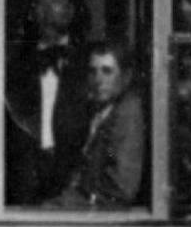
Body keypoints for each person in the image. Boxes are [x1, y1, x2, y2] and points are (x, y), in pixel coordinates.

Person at [5, 0, 92, 204]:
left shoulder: (89, 61)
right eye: (39, 5)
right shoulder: (16, 63)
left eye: (54, 3)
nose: (45, 10)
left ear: (71, 12)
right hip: (24, 175)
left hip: (73, 174)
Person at [53, 40, 148, 208]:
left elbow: (121, 188)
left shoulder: (127, 113)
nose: (98, 80)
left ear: (126, 76)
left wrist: (66, 204)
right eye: (93, 71)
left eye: (107, 71)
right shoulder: (100, 111)